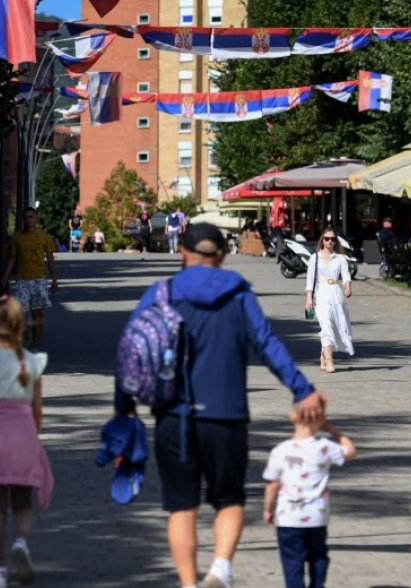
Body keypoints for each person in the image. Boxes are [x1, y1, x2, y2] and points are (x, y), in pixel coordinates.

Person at [115, 223, 326, 588]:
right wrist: (301, 389)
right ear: (223, 256)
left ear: (183, 252)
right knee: (229, 500)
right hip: (226, 417)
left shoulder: (161, 293)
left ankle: (189, 584)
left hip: (174, 418)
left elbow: (129, 351)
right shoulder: (238, 294)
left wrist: (124, 407)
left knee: (181, 507)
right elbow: (267, 344)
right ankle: (221, 570)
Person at [0, 296, 53, 588]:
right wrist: (34, 438)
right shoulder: (33, 363)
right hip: (24, 436)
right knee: (23, 502)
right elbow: (37, 411)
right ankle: (21, 541)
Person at [263, 412, 356, 588]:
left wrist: (268, 509)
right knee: (318, 555)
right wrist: (332, 429)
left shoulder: (280, 450)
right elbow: (350, 452)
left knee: (292, 560)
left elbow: (273, 484)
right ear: (319, 420)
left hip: (288, 517)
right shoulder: (325, 447)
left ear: (292, 417)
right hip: (316, 516)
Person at [2, 207, 58, 352]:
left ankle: (36, 346)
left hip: (39, 280)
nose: (28, 220)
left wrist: (54, 279)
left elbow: (50, 258)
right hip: (22, 281)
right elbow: (13, 257)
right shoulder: (18, 237)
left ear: (36, 218)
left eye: (31, 217)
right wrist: (6, 274)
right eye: (26, 217)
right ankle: (25, 341)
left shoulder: (45, 236)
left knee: (37, 316)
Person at [305, 228, 354, 374]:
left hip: (335, 293)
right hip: (321, 294)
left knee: (334, 325)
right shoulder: (315, 258)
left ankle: (323, 354)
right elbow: (310, 280)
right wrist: (309, 299)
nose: (330, 241)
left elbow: (346, 275)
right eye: (327, 238)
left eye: (333, 239)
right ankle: (330, 360)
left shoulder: (340, 258)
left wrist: (347, 286)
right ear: (322, 240)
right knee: (326, 325)